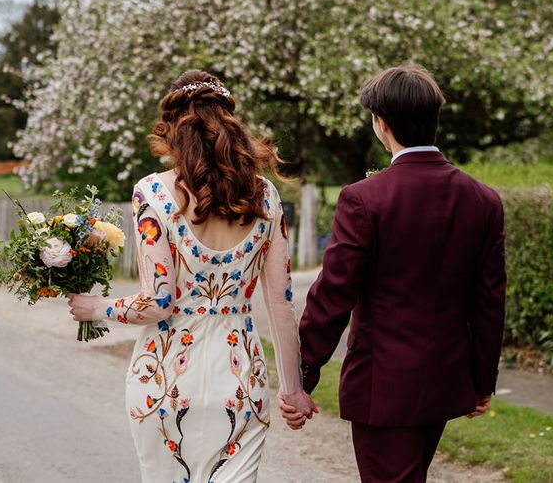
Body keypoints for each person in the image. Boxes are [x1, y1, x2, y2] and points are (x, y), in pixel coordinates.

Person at [68, 70, 316, 483]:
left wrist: (96, 307)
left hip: (163, 381)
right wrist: (293, 389)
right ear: (230, 126)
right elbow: (280, 302)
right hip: (240, 380)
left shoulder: (152, 194)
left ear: (171, 130)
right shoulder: (265, 196)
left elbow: (157, 302)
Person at [281, 63, 506, 482]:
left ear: (381, 124)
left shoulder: (364, 200)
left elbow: (333, 295)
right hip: (444, 382)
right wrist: (481, 380)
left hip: (382, 387)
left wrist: (303, 376)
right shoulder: (484, 200)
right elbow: (490, 301)